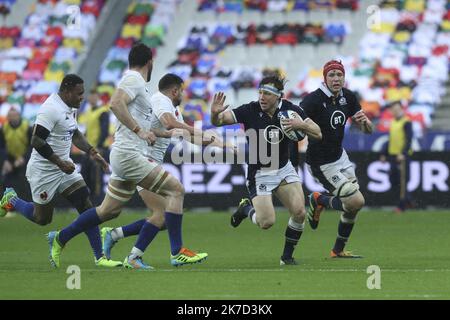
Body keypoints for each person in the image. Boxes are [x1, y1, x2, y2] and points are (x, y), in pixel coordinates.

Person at [45, 43, 207, 270]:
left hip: (124, 154)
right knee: (176, 190)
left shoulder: (137, 83)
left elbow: (128, 111)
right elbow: (115, 103)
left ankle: (61, 237)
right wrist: (139, 130)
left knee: (107, 211)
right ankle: (177, 252)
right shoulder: (134, 79)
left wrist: (148, 130)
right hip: (130, 154)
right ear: (149, 63)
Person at [100, 73, 227, 262]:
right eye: (182, 91)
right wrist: (201, 132)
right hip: (142, 161)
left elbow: (186, 135)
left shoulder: (174, 109)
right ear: (175, 90)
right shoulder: (160, 100)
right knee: (163, 211)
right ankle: (147, 255)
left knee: (164, 217)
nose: (183, 95)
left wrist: (217, 144)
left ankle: (115, 235)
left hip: (148, 163)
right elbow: (169, 124)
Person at [0, 74, 121, 267]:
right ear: (66, 90)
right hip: (44, 169)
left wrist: (91, 151)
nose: (82, 97)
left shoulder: (69, 106)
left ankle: (100, 257)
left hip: (64, 166)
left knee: (85, 203)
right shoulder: (50, 109)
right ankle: (11, 199)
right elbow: (36, 140)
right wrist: (59, 162)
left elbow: (73, 132)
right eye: (79, 93)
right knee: (42, 219)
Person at [210, 75, 322, 265]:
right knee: (266, 222)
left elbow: (318, 133)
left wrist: (300, 125)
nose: (262, 97)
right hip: (260, 173)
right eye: (260, 92)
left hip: (284, 168)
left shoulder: (291, 110)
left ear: (279, 96)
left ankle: (287, 257)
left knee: (300, 212)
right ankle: (246, 209)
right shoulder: (249, 110)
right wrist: (214, 114)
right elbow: (218, 122)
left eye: (267, 94)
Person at [302, 60, 374, 258]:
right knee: (356, 201)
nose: (336, 78)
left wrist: (366, 124)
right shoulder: (312, 101)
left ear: (344, 77)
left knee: (353, 207)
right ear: (324, 78)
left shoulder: (348, 97)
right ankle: (319, 199)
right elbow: (297, 126)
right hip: (321, 163)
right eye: (331, 75)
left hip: (340, 158)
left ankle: (338, 250)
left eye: (339, 75)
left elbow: (367, 130)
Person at [380, 101, 413, 213]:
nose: (395, 111)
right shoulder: (393, 122)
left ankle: (402, 206)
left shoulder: (406, 122)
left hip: (402, 157)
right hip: (393, 156)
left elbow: (409, 140)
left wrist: (403, 153)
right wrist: (384, 153)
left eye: (397, 109)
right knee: (394, 180)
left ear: (402, 109)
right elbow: (391, 140)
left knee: (402, 182)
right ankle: (408, 200)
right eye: (393, 109)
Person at [78, 89, 110, 203]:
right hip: (89, 149)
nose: (91, 98)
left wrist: (98, 148)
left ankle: (98, 203)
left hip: (97, 150)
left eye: (93, 96)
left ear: (98, 97)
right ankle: (88, 202)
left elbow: (104, 131)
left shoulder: (103, 111)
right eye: (90, 96)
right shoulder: (88, 112)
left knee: (96, 178)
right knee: (85, 176)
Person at [0, 107, 32, 202]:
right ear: (7, 117)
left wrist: (23, 158)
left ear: (19, 116)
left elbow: (31, 145)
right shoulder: (4, 128)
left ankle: (28, 205)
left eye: (15, 115)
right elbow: (1, 146)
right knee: (8, 184)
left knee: (26, 183)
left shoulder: (27, 127)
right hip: (10, 159)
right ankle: (9, 206)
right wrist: (5, 161)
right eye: (10, 116)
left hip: (25, 158)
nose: (13, 118)